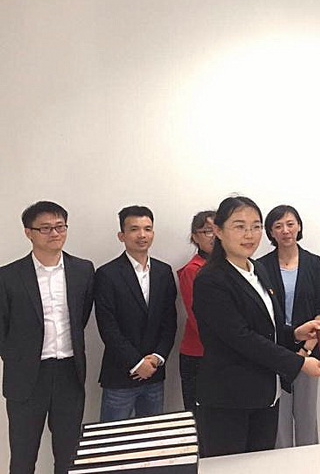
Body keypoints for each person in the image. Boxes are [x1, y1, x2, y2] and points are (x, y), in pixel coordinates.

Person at [192, 196, 320, 457]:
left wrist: (295, 333)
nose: (249, 234)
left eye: (255, 226)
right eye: (239, 226)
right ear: (219, 231)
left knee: (264, 463)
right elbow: (241, 338)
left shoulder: (257, 269)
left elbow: (267, 328)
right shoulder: (211, 279)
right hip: (229, 399)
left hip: (265, 395)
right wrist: (300, 362)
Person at [0, 201, 94, 474]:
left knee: (68, 455)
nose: (55, 233)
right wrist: (18, 358)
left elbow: (81, 317)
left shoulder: (83, 270)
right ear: (28, 232)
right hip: (27, 377)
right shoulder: (8, 276)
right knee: (23, 456)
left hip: (69, 373)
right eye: (45, 228)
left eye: (60, 227)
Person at [94, 205, 177, 422]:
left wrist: (157, 358)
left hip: (155, 373)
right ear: (121, 236)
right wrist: (137, 363)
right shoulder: (107, 274)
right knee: (113, 438)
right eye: (134, 229)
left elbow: (170, 321)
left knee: (151, 436)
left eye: (147, 229)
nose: (142, 235)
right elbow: (108, 327)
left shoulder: (164, 271)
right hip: (120, 374)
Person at [259, 205, 320, 448]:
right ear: (270, 232)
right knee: (278, 419)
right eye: (278, 226)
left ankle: (310, 463)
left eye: (290, 224)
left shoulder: (314, 262)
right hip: (274, 351)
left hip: (309, 351)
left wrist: (305, 349)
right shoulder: (260, 266)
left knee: (306, 416)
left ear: (299, 226)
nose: (285, 230)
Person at [177, 210, 215, 414]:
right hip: (199, 354)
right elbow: (197, 318)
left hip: (225, 355)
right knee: (199, 418)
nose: (214, 236)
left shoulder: (231, 266)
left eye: (217, 229)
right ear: (195, 237)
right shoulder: (193, 270)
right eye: (207, 231)